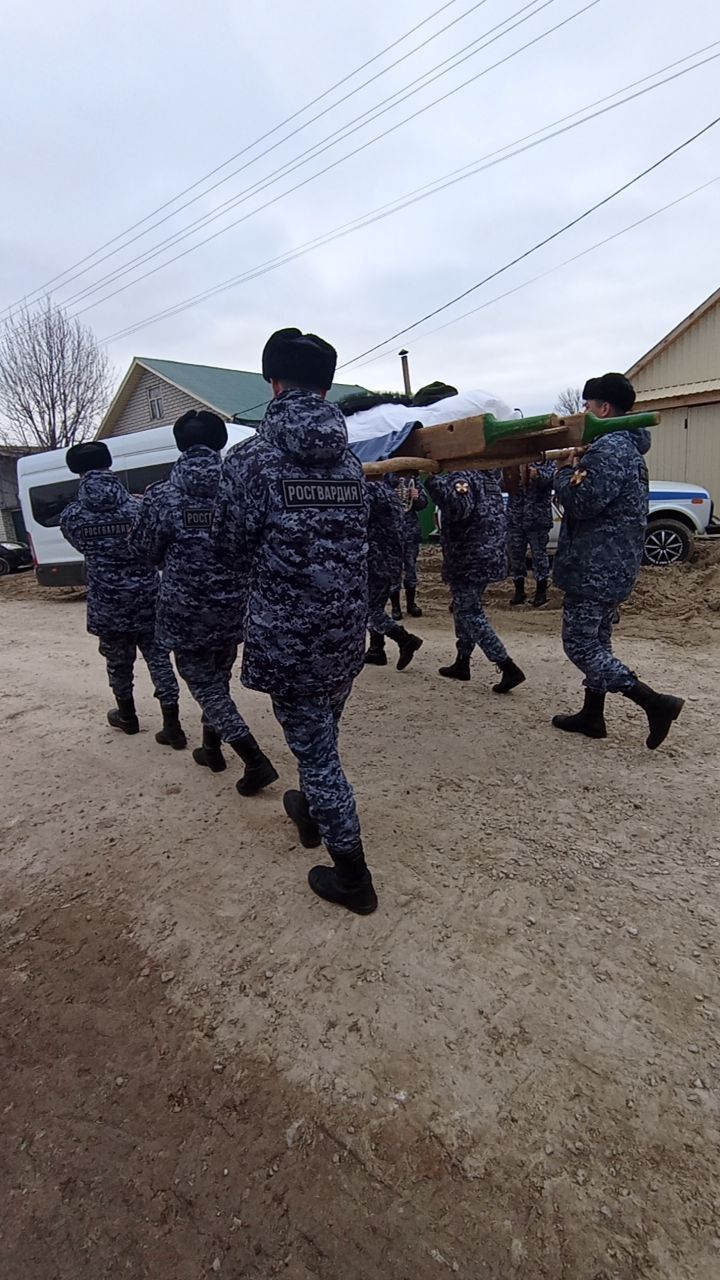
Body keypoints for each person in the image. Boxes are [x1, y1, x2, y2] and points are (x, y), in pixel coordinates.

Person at [213, 328, 377, 915]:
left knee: (318, 755)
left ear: (272, 382)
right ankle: (309, 811)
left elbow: (231, 546)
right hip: (343, 632)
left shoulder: (250, 461)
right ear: (327, 386)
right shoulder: (353, 463)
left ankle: (353, 878)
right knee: (322, 732)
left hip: (289, 637)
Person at [129, 410, 278, 796]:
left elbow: (143, 551)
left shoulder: (162, 496)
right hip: (235, 604)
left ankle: (253, 759)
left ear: (180, 445)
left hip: (185, 609)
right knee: (219, 677)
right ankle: (211, 749)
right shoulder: (241, 488)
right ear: (221, 442)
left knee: (204, 684)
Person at [552, 372, 684, 747]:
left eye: (587, 405)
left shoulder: (610, 448)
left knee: (580, 645)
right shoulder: (625, 446)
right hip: (612, 563)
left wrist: (561, 474)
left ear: (604, 408)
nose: (583, 412)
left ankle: (655, 703)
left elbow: (583, 501)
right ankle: (593, 715)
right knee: (600, 640)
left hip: (596, 565)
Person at [60, 441, 185, 746]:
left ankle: (127, 717)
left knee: (118, 663)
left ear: (77, 472)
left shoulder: (71, 516)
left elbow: (82, 547)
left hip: (108, 603)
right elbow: (154, 547)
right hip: (147, 598)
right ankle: (173, 726)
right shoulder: (139, 506)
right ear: (109, 465)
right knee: (159, 660)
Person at [428, 468, 525, 692]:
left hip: (469, 556)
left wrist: (433, 481)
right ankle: (462, 661)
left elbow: (459, 509)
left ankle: (507, 666)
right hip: (487, 553)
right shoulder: (488, 476)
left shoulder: (464, 475)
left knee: (470, 612)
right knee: (464, 608)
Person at [364, 475, 423, 669]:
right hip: (390, 560)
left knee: (368, 610)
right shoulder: (390, 492)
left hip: (375, 559)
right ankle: (376, 649)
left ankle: (405, 639)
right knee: (376, 605)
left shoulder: (370, 491)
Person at [504, 459, 556, 608]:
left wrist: (537, 475)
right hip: (516, 517)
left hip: (537, 518)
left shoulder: (546, 459)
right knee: (515, 555)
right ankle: (519, 591)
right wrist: (510, 474)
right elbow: (503, 483)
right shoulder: (515, 459)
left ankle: (541, 592)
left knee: (539, 555)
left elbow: (552, 480)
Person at [387, 471, 429, 620]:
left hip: (411, 532)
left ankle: (411, 604)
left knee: (411, 568)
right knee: (393, 570)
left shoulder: (414, 478)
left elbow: (424, 503)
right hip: (391, 531)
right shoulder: (386, 477)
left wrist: (416, 497)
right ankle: (395, 607)